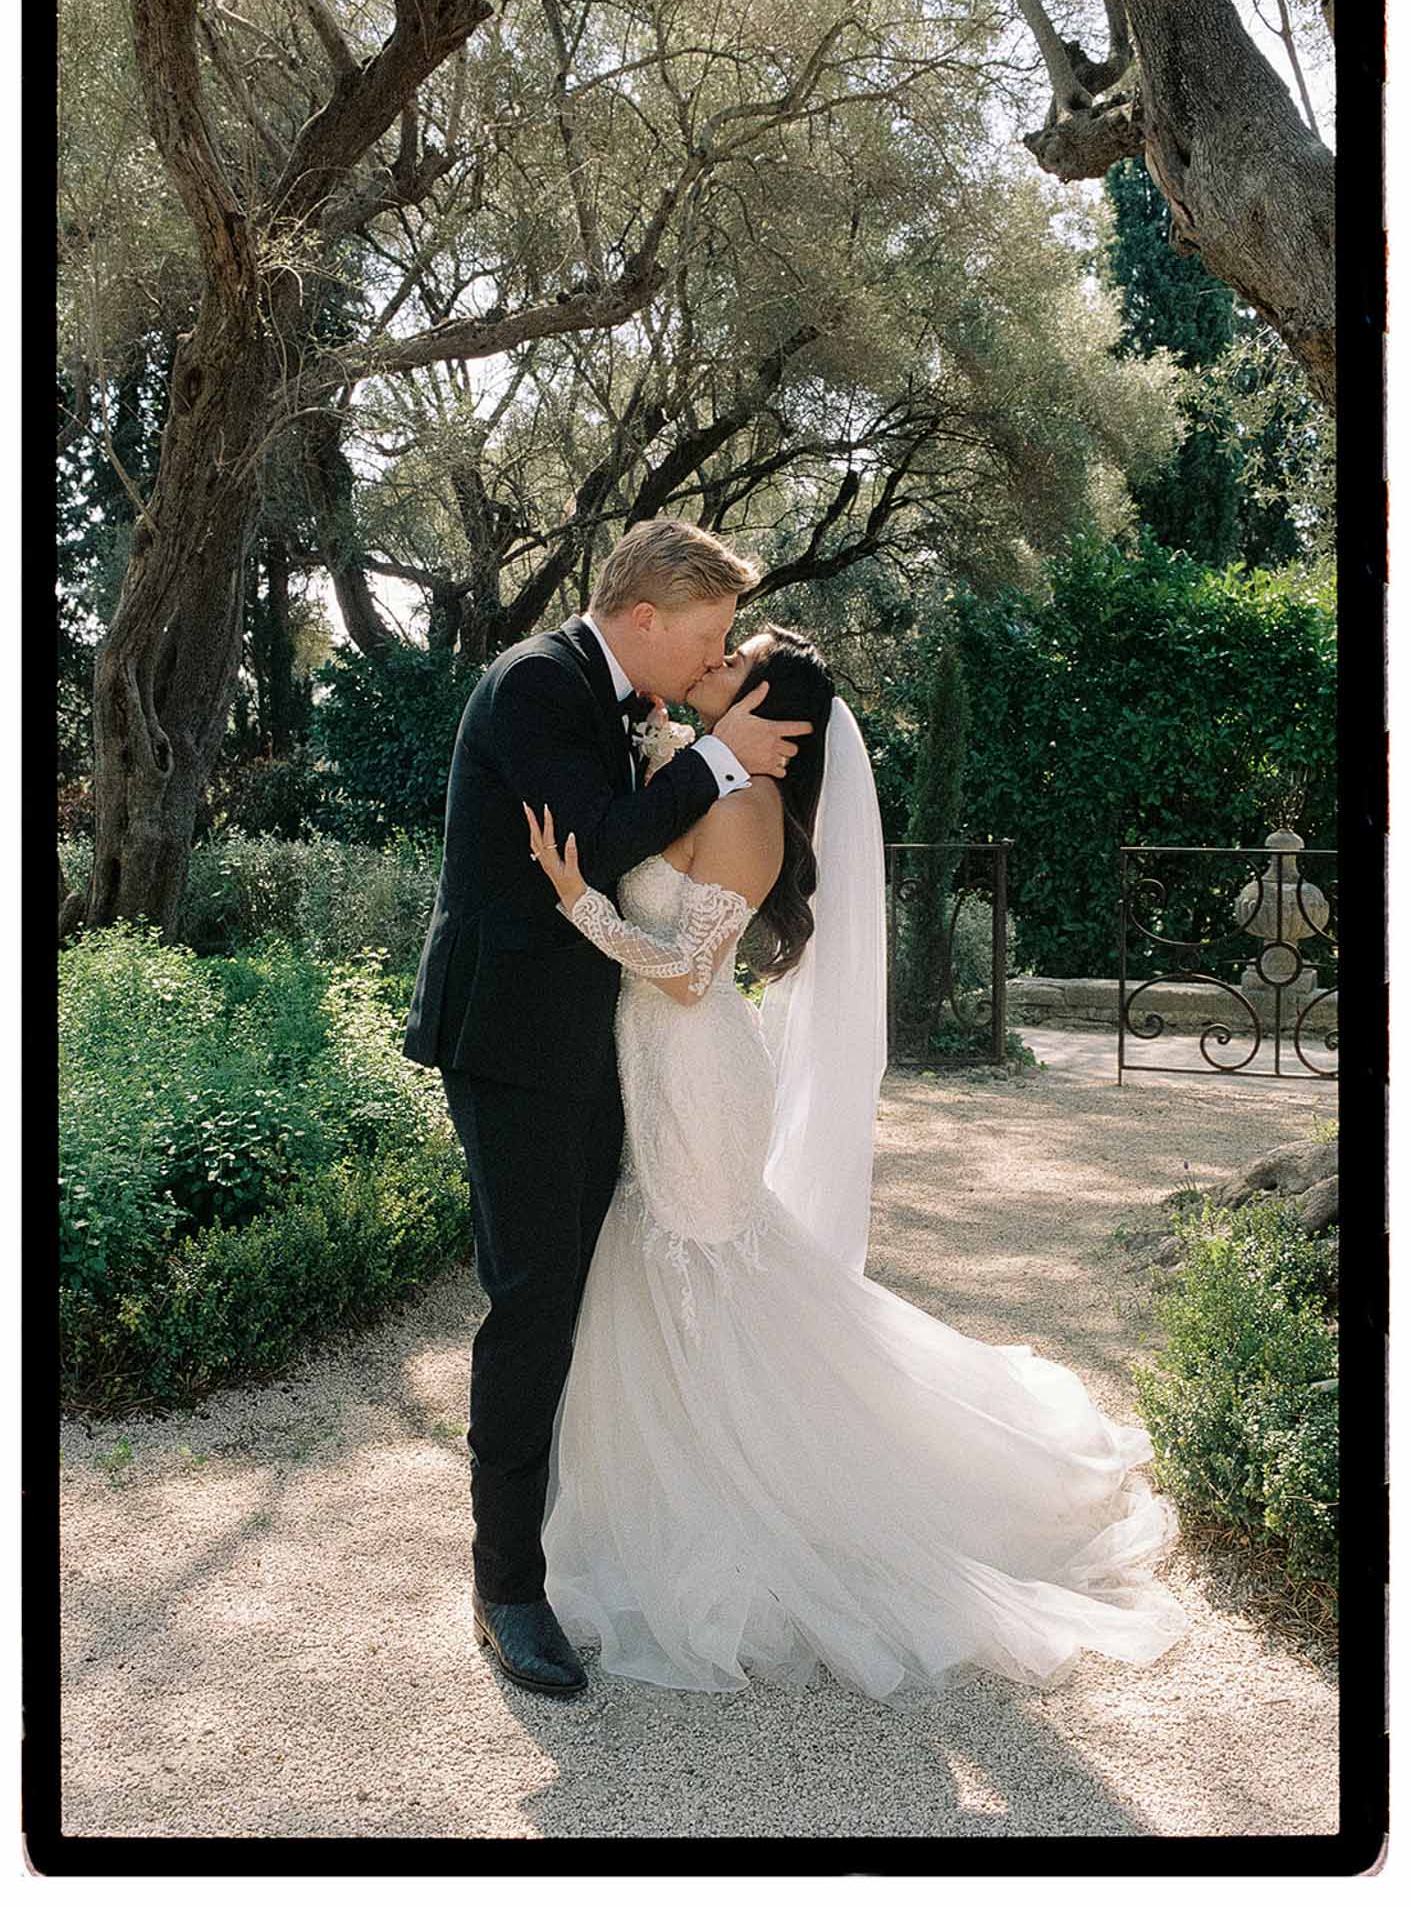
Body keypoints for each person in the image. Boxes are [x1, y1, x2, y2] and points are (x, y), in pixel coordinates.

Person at [523, 625, 1189, 1700]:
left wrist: (579, 900)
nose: (713, 663)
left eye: (732, 662)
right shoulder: (695, 775)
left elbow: (689, 975)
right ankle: (683, 1479)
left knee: (700, 1268)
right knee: (677, 1266)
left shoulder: (745, 813)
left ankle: (744, 1489)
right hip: (653, 1067)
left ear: (775, 715)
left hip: (696, 1072)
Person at [401, 519, 812, 1699]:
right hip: (515, 1039)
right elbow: (586, 842)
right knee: (532, 1300)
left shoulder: (628, 700)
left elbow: (638, 870)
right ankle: (505, 1588)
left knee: (580, 1292)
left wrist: (705, 758)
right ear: (644, 616)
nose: (713, 655)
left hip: (601, 1044)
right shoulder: (536, 679)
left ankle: (570, 1536)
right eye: (707, 634)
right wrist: (721, 756)